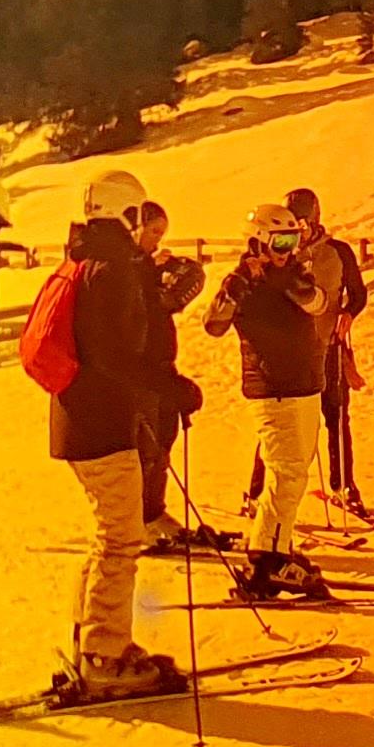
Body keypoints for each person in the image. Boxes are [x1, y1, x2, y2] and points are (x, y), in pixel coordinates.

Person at [46, 169, 190, 697]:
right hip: (100, 422)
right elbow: (116, 356)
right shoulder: (110, 271)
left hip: (84, 419)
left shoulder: (88, 260)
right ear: (126, 212)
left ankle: (93, 640)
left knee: (111, 532)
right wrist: (169, 387)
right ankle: (103, 654)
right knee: (122, 537)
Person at [204, 199, 336, 600]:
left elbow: (319, 304)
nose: (288, 252)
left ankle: (278, 544)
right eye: (279, 243)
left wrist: (291, 281)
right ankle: (267, 557)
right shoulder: (243, 281)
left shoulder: (294, 275)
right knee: (286, 471)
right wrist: (234, 291)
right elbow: (213, 325)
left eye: (293, 241)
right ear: (259, 243)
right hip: (274, 389)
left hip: (305, 384)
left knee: (297, 472)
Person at [287, 185, 371, 511]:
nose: (297, 231)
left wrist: (349, 313)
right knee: (286, 424)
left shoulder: (337, 252)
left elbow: (358, 293)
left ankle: (344, 486)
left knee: (336, 418)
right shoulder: (282, 254)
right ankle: (258, 490)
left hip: (329, 347)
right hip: (291, 354)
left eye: (301, 223)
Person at [133, 201, 210, 554]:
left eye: (160, 234)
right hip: (140, 373)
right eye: (152, 232)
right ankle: (138, 520)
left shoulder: (146, 268)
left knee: (165, 438)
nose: (156, 240)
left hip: (162, 366)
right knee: (145, 448)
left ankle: (154, 510)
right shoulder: (124, 272)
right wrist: (151, 273)